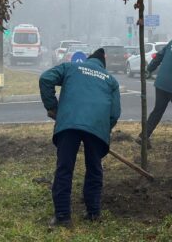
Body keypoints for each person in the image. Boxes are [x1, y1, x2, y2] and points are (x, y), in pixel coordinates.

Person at [39, 48, 121, 228]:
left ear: (87, 60)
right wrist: (102, 129)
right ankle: (93, 213)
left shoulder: (70, 68)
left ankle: (62, 217)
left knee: (64, 168)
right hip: (96, 127)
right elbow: (115, 114)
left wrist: (53, 108)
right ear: (103, 65)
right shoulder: (110, 80)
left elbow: (45, 79)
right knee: (94, 169)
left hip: (69, 123)